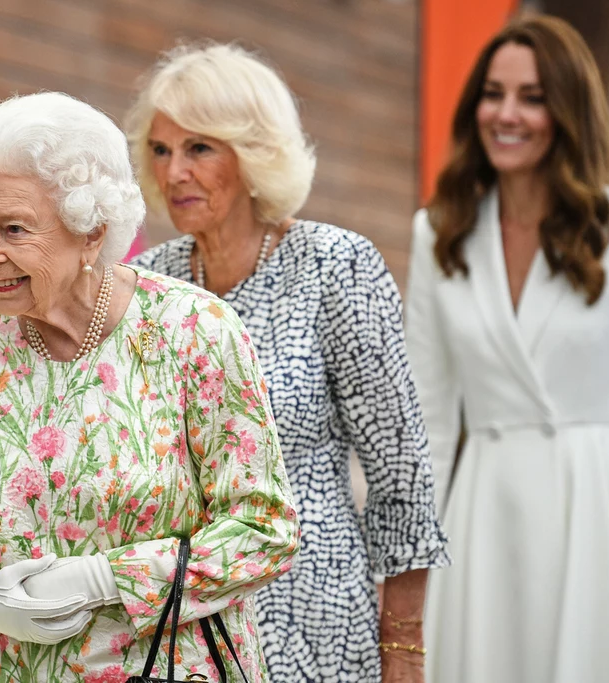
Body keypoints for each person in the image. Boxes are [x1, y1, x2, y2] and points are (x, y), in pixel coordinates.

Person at [0, 91, 300, 682]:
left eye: (15, 228)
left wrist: (107, 579)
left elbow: (263, 527)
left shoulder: (192, 330)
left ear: (91, 232)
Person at [126, 42, 450, 682]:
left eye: (199, 148)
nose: (174, 172)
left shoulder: (336, 266)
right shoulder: (144, 284)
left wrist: (405, 649)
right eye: (161, 151)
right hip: (175, 626)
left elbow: (401, 475)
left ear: (253, 154)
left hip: (313, 618)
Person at [405, 15, 609, 683]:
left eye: (532, 96)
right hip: (485, 512)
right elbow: (429, 417)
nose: (506, 114)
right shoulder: (439, 233)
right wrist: (407, 574)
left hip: (600, 506)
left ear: (568, 110)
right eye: (493, 92)